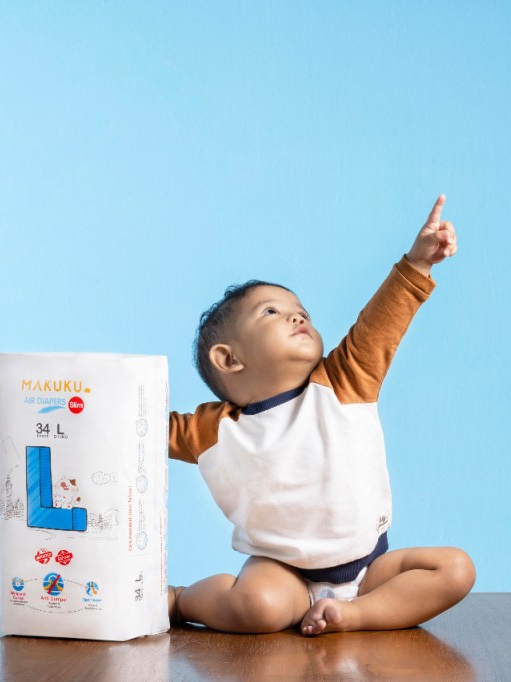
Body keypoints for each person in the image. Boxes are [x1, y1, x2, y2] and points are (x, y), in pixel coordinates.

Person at [168, 194, 475, 636]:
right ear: (229, 359)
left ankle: (354, 615)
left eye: (301, 311)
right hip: (283, 575)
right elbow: (138, 426)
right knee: (256, 607)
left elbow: (381, 325)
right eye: (271, 312)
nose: (297, 316)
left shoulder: (343, 381)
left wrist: (418, 263)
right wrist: (80, 402)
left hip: (370, 573)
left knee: (456, 569)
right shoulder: (212, 430)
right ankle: (182, 600)